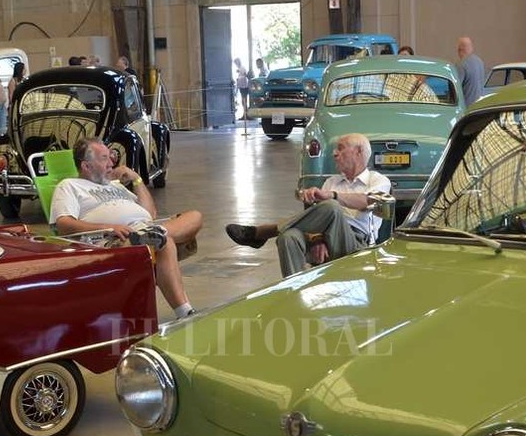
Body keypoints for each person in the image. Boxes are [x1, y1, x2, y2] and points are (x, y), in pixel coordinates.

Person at [50, 137, 202, 319]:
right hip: (112, 239)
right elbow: (64, 224)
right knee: (165, 243)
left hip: (143, 228)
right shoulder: (69, 186)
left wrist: (136, 180)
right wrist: (108, 227)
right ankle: (185, 311)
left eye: (111, 156)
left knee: (194, 216)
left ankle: (154, 234)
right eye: (104, 158)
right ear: (86, 166)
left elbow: (150, 214)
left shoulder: (115, 185)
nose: (111, 162)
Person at [224, 132, 391, 277]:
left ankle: (264, 232)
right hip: (326, 236)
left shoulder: (378, 180)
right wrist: (318, 240)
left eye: (341, 148)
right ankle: (293, 292)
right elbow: (316, 219)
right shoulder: (332, 181)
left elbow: (367, 201)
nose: (335, 153)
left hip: (356, 241)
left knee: (332, 206)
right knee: (288, 237)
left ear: (359, 151)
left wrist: (332, 195)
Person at [456, 36, 485, 104]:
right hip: (479, 105)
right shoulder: (479, 61)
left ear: (460, 50)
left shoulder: (461, 64)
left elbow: (456, 87)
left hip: (467, 106)